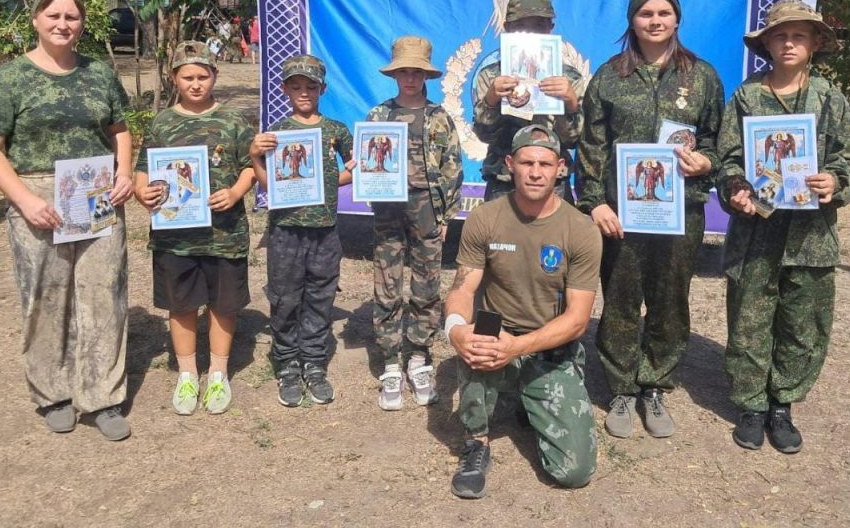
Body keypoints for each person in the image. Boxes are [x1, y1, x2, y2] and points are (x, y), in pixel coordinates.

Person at [0, 0, 134, 440]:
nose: (63, 24)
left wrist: (124, 172)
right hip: (38, 196)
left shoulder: (99, 73)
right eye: (54, 15)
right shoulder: (10, 78)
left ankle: (102, 395)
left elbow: (120, 128)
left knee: (104, 295)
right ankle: (54, 394)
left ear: (83, 23)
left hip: (97, 192)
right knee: (46, 298)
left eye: (72, 16)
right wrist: (24, 199)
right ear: (36, 19)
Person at [716, 0, 850, 453]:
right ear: (766, 44)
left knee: (803, 321)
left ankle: (783, 404)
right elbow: (728, 159)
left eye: (798, 35)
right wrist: (736, 187)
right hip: (756, 233)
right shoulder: (747, 96)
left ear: (816, 43)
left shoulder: (829, 97)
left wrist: (834, 180)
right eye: (780, 36)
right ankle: (751, 405)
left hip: (810, 236)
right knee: (749, 318)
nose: (788, 43)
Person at [577, 0, 724, 438]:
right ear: (632, 20)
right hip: (622, 214)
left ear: (677, 18)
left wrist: (708, 162)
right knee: (620, 300)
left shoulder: (702, 77)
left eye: (663, 13)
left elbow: (723, 142)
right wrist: (595, 203)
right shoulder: (609, 77)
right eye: (646, 13)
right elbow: (591, 147)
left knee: (669, 299)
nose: (655, 21)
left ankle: (655, 383)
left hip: (680, 213)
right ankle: (621, 387)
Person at [445, 125, 601, 499]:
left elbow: (578, 319)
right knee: (476, 338)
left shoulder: (580, 229)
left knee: (574, 472)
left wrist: (517, 348)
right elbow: (463, 286)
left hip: (546, 341)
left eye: (545, 164)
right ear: (510, 164)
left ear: (561, 168)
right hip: (495, 330)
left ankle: (529, 399)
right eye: (527, 162)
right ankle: (476, 442)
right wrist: (454, 329)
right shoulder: (485, 218)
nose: (535, 172)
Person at [133, 41, 256, 416]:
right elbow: (142, 169)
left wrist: (236, 191)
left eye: (203, 76)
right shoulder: (162, 123)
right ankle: (187, 372)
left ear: (214, 76)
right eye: (188, 77)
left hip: (225, 232)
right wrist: (142, 192)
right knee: (181, 304)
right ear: (175, 79)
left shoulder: (234, 122)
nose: (196, 84)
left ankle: (218, 370)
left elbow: (250, 167)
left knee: (224, 304)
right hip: (176, 235)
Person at [250, 55, 354, 407]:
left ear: (322, 88)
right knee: (284, 297)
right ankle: (287, 364)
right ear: (285, 89)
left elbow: (361, 166)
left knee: (320, 297)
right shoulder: (275, 133)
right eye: (296, 86)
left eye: (311, 86)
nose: (304, 92)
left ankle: (313, 362)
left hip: (324, 230)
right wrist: (254, 157)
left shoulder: (336, 130)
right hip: (286, 230)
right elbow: (269, 186)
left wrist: (330, 182)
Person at [368, 36, 462, 410]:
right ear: (395, 75)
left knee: (427, 282)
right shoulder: (379, 116)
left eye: (416, 72)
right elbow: (369, 159)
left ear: (426, 75)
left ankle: (419, 355)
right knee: (387, 279)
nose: (410, 78)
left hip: (427, 205)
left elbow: (453, 166)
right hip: (389, 209)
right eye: (404, 71)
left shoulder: (439, 116)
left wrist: (446, 215)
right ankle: (391, 359)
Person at [472, 0, 584, 202]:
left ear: (550, 28)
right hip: (504, 179)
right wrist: (491, 101)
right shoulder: (491, 76)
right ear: (507, 28)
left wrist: (570, 103)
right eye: (521, 26)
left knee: (555, 237)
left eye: (539, 25)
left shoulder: (569, 78)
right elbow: (484, 135)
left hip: (552, 183)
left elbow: (573, 140)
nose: (531, 32)